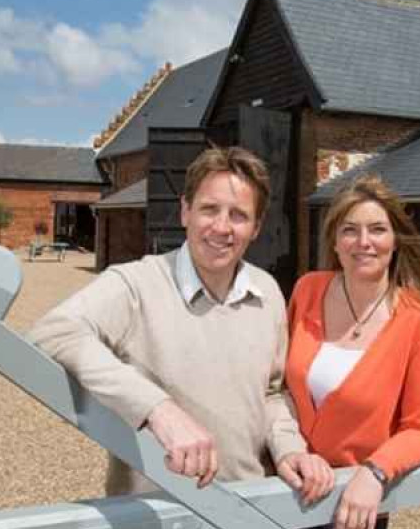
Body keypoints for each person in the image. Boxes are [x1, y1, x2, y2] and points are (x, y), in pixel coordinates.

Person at [28, 146, 332, 500]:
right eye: (209, 209)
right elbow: (52, 331)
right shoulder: (135, 284)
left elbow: (271, 393)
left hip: (249, 509)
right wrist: (158, 409)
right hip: (158, 512)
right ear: (185, 211)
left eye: (238, 215)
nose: (221, 227)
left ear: (256, 227)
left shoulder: (266, 291)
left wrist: (289, 449)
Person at [286, 174, 420, 529]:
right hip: (286, 485)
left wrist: (375, 473)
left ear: (395, 240)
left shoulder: (418, 320)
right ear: (335, 241)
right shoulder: (307, 289)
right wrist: (289, 451)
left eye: (377, 229)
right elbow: (279, 384)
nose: (364, 242)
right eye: (350, 230)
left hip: (353, 504)